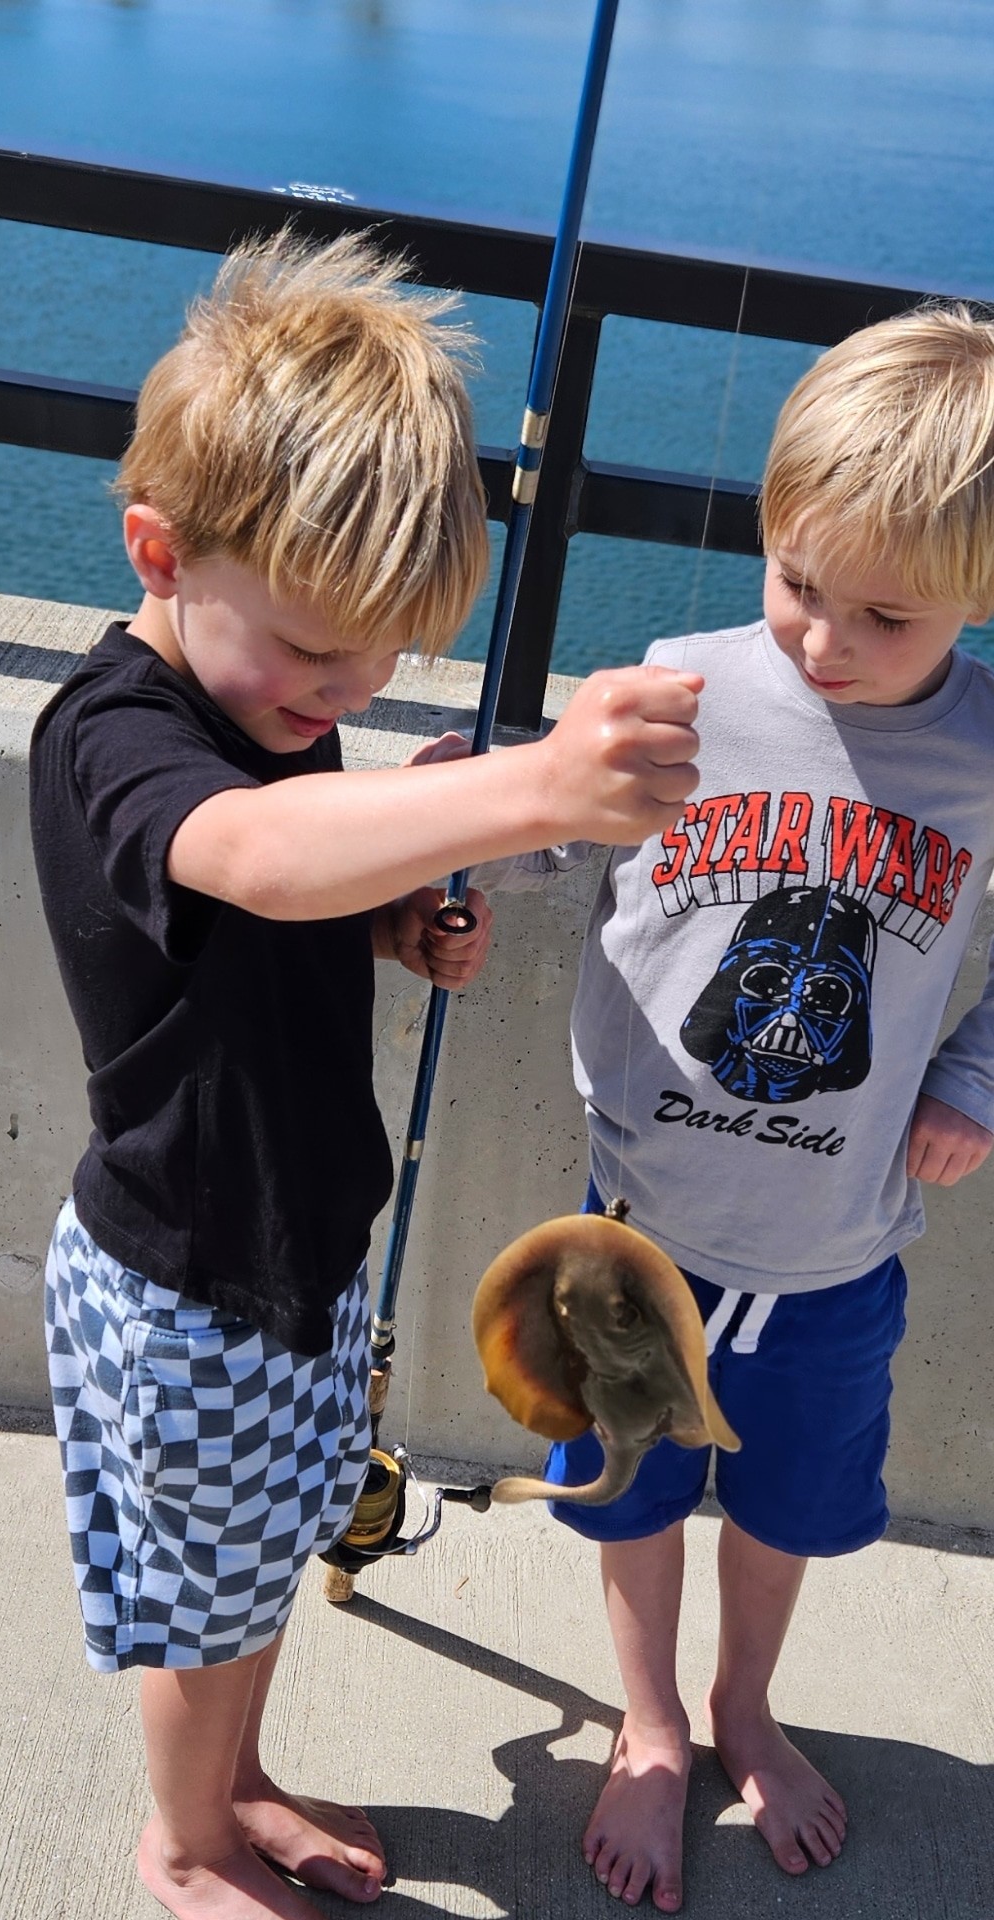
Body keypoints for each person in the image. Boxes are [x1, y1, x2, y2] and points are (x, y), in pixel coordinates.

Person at [28, 228, 703, 1920]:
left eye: (383, 659)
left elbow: (292, 894)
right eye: (321, 658)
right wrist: (540, 791)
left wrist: (397, 919)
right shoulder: (113, 734)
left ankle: (236, 1785)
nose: (349, 695)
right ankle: (180, 1838)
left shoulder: (272, 703)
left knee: (261, 1568)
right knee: (201, 1606)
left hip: (306, 1247)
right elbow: (247, 858)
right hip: (186, 1277)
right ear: (158, 550)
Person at [477, 303, 994, 1910]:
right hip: (637, 1234)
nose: (821, 641)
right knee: (634, 1490)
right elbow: (546, 827)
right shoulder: (678, 688)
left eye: (882, 616)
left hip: (840, 1251)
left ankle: (741, 1705)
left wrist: (973, 1077)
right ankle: (645, 1723)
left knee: (783, 1507)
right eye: (794, 585)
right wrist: (482, 813)